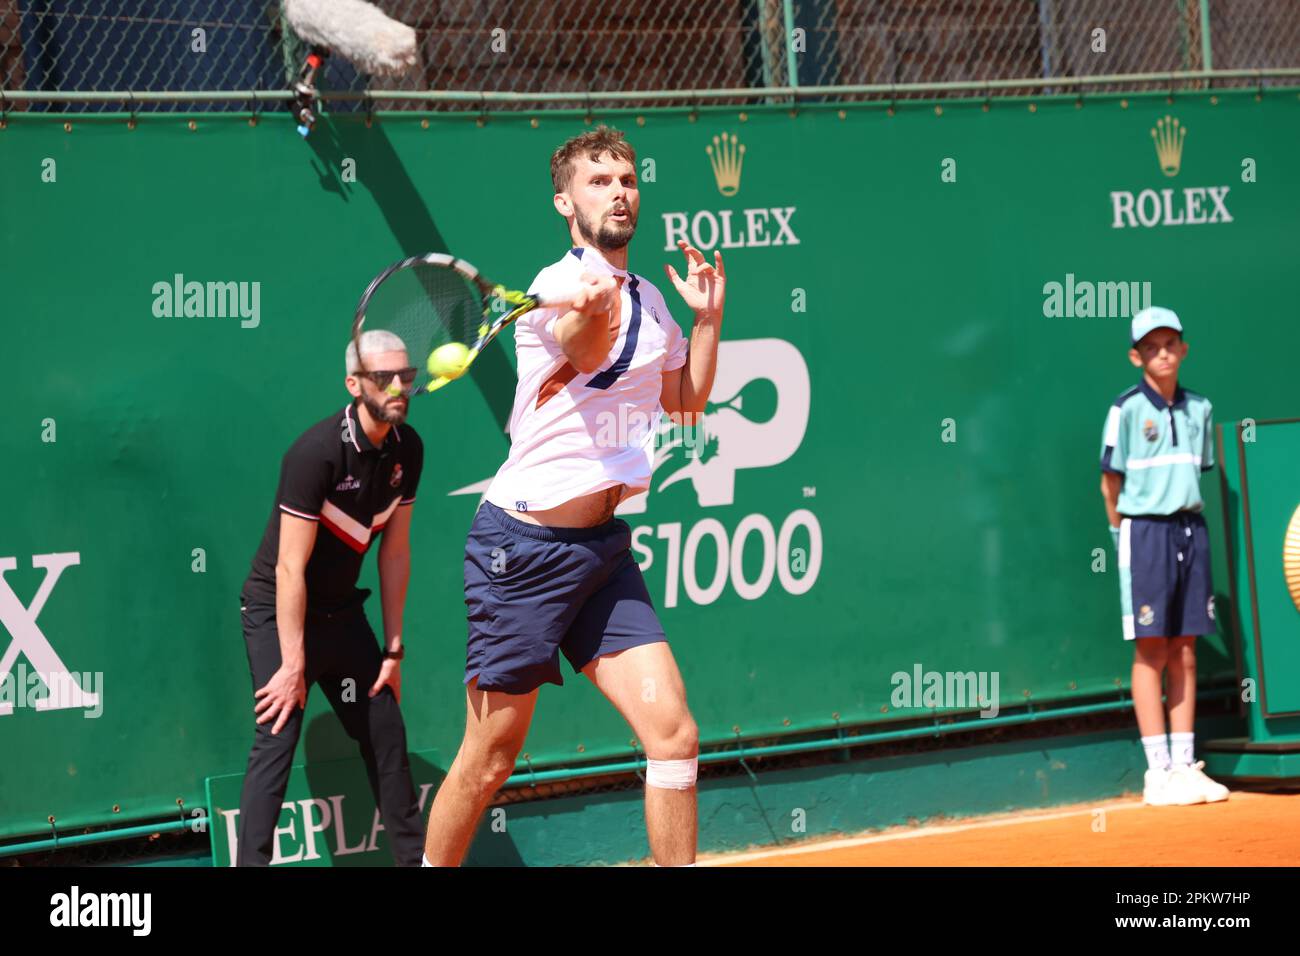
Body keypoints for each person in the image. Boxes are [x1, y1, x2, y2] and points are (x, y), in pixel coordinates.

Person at [422, 125, 726, 866]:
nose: (619, 192)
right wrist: (589, 304)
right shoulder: (557, 283)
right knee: (491, 757)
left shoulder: (652, 300)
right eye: (599, 181)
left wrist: (708, 320)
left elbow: (685, 402)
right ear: (566, 200)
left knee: (673, 735)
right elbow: (588, 354)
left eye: (626, 179)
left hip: (601, 551)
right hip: (519, 552)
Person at [236, 330, 427, 864]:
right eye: (382, 378)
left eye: (405, 376)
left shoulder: (407, 449)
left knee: (385, 731)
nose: (397, 387)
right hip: (278, 611)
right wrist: (293, 664)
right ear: (354, 384)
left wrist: (393, 650)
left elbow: (394, 553)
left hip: (343, 616)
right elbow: (290, 568)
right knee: (276, 739)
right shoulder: (316, 453)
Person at [1100, 306, 1230, 807]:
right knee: (1152, 648)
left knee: (1187, 650)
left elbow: (1197, 471)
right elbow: (1110, 483)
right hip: (1145, 534)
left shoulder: (1200, 408)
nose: (1163, 353)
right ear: (1136, 356)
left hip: (1189, 531)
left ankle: (1184, 765)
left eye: (1170, 344)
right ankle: (1157, 772)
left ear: (1184, 349)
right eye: (1151, 347)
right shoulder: (1126, 409)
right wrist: (1120, 539)